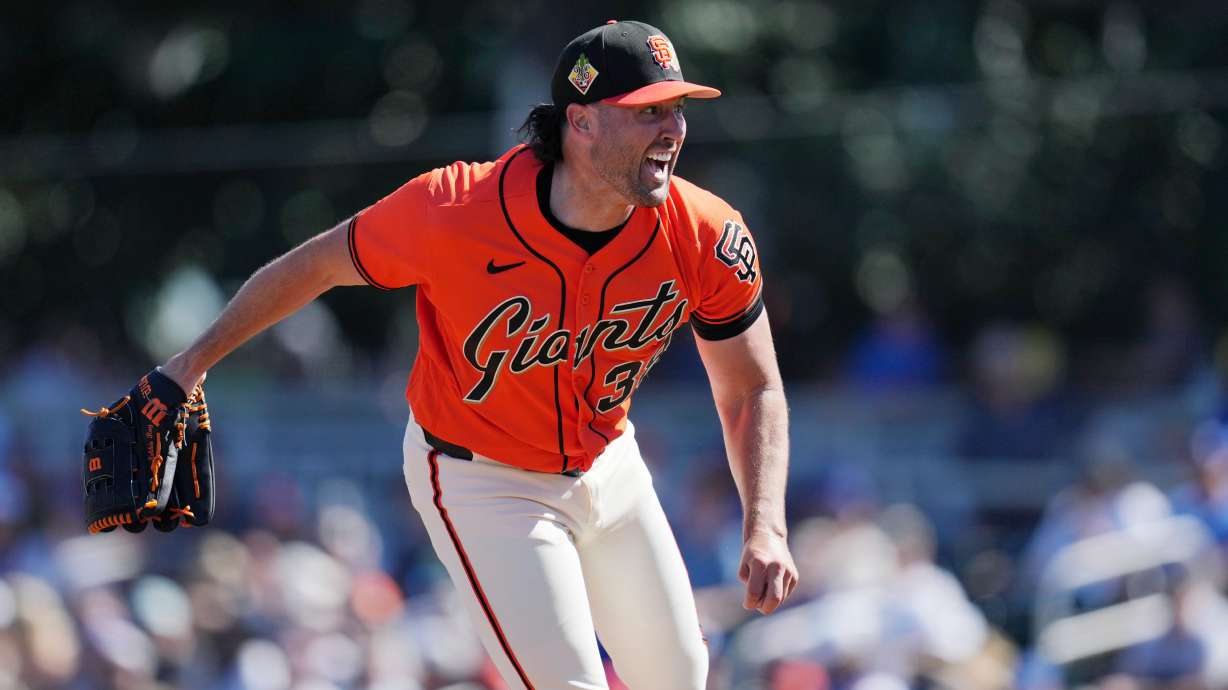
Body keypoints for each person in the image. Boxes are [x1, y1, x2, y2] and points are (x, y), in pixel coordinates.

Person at [159, 19, 797, 689]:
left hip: (609, 463)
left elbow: (752, 390)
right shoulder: (455, 209)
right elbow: (315, 266)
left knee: (681, 676)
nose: (672, 128)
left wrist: (767, 525)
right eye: (647, 111)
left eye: (677, 109)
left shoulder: (703, 233)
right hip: (484, 480)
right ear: (580, 123)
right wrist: (192, 360)